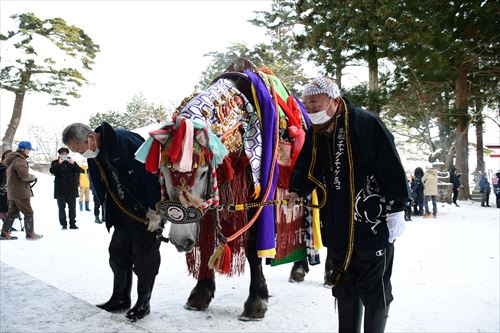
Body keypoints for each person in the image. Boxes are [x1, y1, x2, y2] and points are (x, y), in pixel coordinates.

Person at [286, 77, 409, 333]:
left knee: (374, 286)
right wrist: (297, 189)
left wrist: (397, 207)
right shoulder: (318, 132)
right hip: (338, 222)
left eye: (314, 103)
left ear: (333, 100)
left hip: (371, 220)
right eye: (306, 105)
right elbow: (307, 162)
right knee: (344, 284)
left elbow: (390, 164)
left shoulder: (365, 123)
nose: (309, 110)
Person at [62, 122, 162, 321]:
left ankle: (143, 302)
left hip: (144, 212)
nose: (81, 154)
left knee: (144, 259)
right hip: (120, 212)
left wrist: (155, 208)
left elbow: (152, 173)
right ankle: (120, 298)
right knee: (118, 255)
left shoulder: (125, 141)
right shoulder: (95, 151)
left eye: (80, 149)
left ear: (90, 137)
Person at [0, 141, 42, 240]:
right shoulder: (20, 160)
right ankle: (30, 234)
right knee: (28, 212)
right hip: (21, 191)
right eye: (28, 150)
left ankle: (5, 233)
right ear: (23, 150)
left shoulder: (12, 159)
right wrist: (33, 177)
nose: (29, 152)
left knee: (12, 213)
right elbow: (24, 176)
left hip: (13, 191)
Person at [50, 148, 83, 230]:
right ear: (59, 155)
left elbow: (80, 171)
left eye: (66, 154)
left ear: (68, 154)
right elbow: (52, 171)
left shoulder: (71, 162)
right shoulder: (55, 163)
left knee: (72, 208)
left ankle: (72, 224)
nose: (64, 155)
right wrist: (59, 163)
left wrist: (74, 163)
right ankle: (63, 224)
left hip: (71, 189)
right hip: (60, 190)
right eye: (62, 154)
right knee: (61, 208)